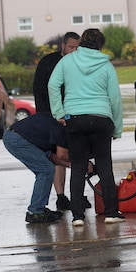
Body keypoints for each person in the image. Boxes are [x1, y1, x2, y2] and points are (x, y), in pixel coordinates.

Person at [48, 28, 125, 226]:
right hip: (101, 118)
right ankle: (111, 212)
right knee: (104, 165)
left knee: (79, 166)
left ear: (81, 42)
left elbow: (52, 85)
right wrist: (116, 128)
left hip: (75, 118)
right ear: (101, 45)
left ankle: (78, 217)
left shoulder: (67, 61)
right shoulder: (106, 66)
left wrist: (59, 112)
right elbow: (115, 98)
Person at [32, 32, 85, 211]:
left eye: (77, 47)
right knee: (58, 157)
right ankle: (61, 196)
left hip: (75, 115)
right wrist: (47, 117)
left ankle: (79, 194)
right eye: (71, 47)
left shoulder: (79, 62)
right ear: (63, 45)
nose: (74, 51)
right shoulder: (48, 63)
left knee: (77, 154)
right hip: (52, 116)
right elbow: (40, 91)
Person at [2, 112, 69, 223]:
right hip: (16, 138)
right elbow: (62, 155)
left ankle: (39, 209)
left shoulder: (58, 121)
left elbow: (52, 156)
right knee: (45, 170)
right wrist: (81, 165)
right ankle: (35, 212)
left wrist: (72, 165)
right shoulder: (61, 126)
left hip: (15, 135)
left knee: (47, 168)